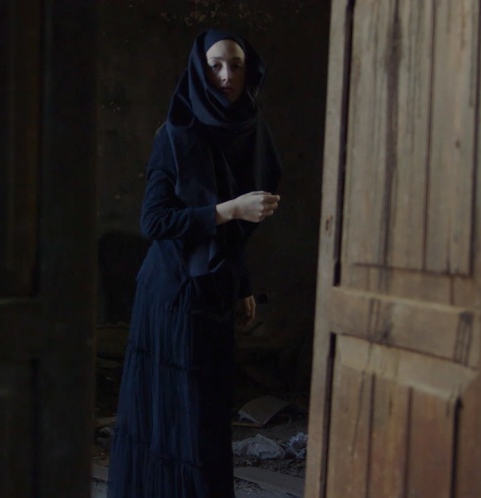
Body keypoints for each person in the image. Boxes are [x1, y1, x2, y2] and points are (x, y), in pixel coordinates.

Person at [107, 29, 283, 498]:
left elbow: (237, 232)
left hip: (215, 291)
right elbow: (155, 221)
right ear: (199, 71)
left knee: (206, 415)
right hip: (173, 292)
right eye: (215, 65)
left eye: (236, 65)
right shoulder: (176, 133)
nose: (226, 75)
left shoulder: (249, 131)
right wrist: (228, 209)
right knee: (178, 416)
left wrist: (242, 283)